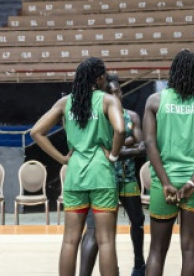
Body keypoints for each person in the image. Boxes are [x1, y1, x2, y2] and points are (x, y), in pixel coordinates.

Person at [32, 57, 125, 276]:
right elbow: (120, 130)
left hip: (75, 175)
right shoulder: (108, 100)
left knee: (70, 241)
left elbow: (36, 132)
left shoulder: (65, 103)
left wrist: (63, 159)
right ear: (100, 78)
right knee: (106, 242)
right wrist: (112, 155)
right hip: (101, 174)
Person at [144, 50, 194, 276]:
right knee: (190, 248)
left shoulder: (155, 100)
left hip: (162, 182)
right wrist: (192, 181)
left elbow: (149, 142)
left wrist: (166, 182)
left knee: (157, 250)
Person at [78, 75, 147, 276]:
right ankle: (111, 268)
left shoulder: (132, 116)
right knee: (104, 228)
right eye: (112, 92)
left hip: (127, 178)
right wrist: (129, 143)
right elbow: (104, 151)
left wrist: (119, 149)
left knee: (138, 220)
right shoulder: (101, 117)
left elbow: (142, 146)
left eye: (118, 91)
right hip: (105, 179)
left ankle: (139, 264)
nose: (117, 95)